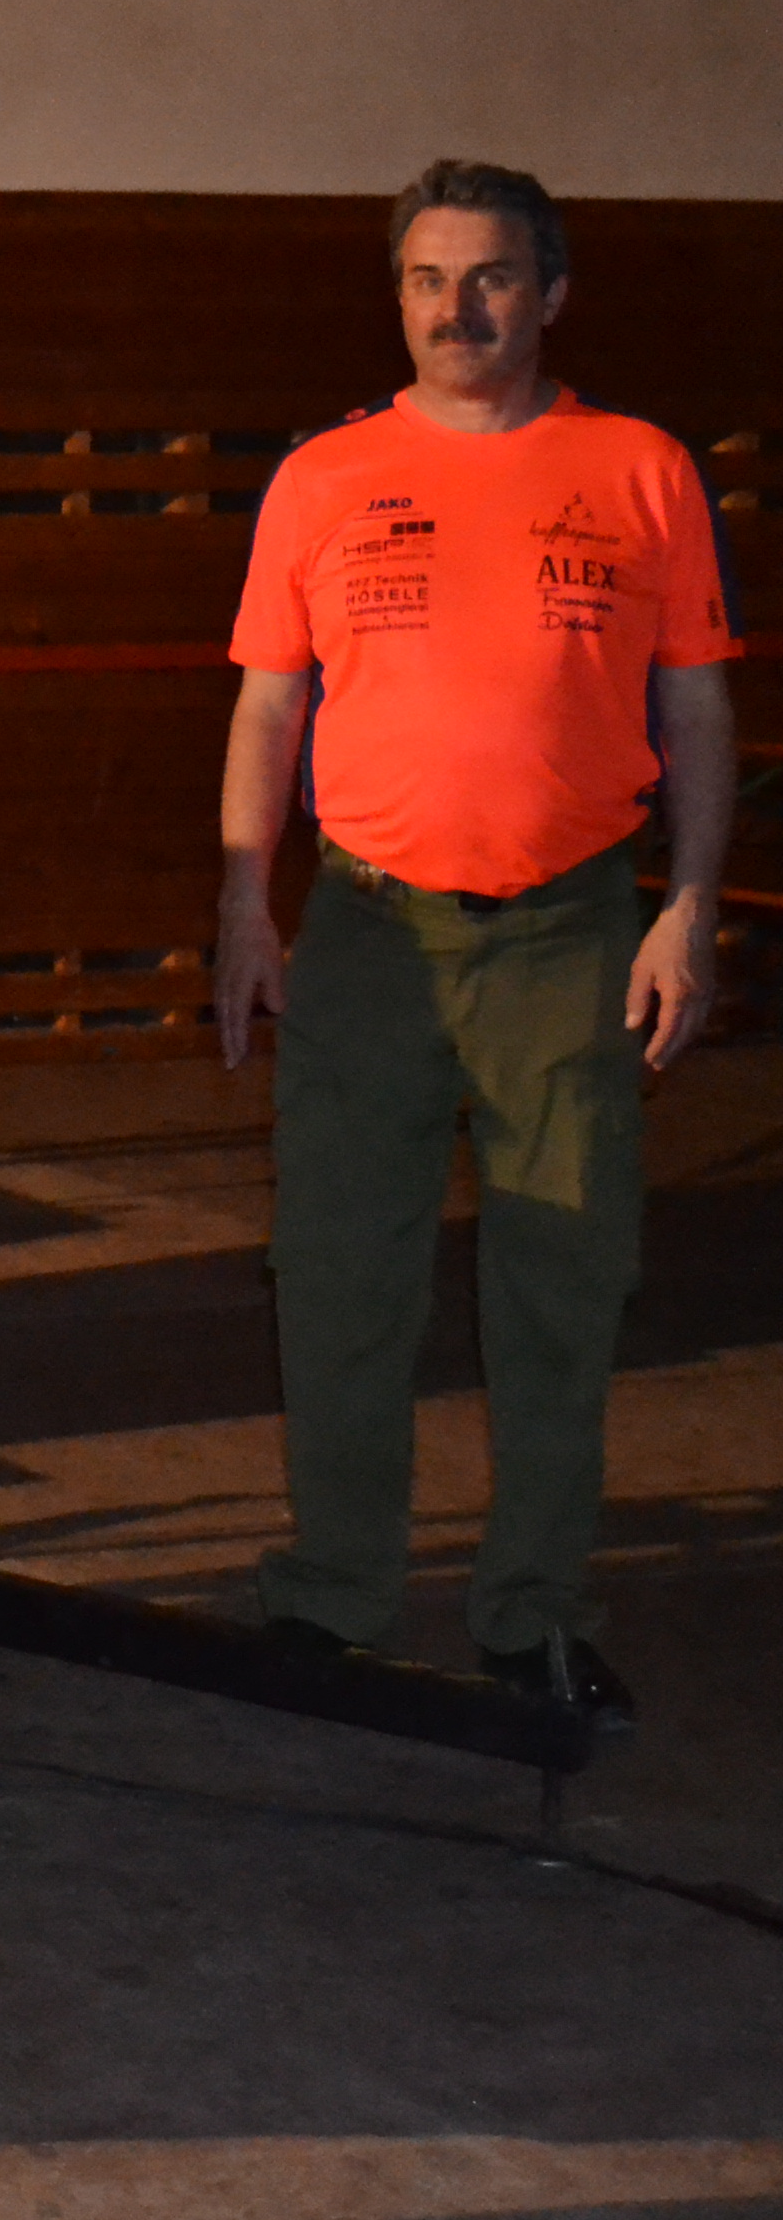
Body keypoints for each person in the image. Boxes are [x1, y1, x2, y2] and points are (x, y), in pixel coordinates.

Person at [214, 161, 737, 1726]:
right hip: (367, 932)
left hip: (570, 931)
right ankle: (333, 1592)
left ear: (551, 294)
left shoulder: (639, 470)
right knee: (339, 1269)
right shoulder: (324, 477)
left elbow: (699, 704)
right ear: (397, 297)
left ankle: (535, 1613)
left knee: (563, 1276)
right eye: (429, 279)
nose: (459, 308)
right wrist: (245, 904)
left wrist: (689, 906)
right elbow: (269, 704)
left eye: (493, 276)